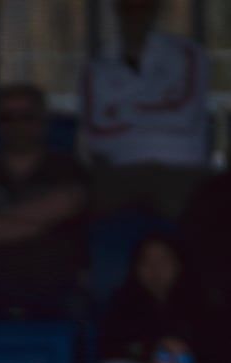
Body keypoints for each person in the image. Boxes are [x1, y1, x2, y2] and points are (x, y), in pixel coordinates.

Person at [0, 84, 89, 322]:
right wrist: (40, 220)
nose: (17, 125)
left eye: (26, 116)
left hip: (55, 285)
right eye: (7, 117)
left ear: (42, 121)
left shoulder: (67, 167)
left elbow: (66, 204)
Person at [82, 0, 209, 220]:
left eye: (144, 6)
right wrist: (162, 110)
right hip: (119, 172)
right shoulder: (97, 67)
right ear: (117, 11)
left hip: (181, 169)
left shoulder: (188, 54)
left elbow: (185, 118)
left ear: (155, 9)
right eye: (128, 7)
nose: (136, 15)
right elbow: (96, 135)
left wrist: (120, 112)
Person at [87, 235, 206, 363]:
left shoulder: (200, 302)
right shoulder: (123, 302)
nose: (155, 268)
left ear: (179, 264)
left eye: (163, 260)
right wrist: (153, 358)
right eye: (147, 261)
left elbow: (210, 356)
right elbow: (110, 348)